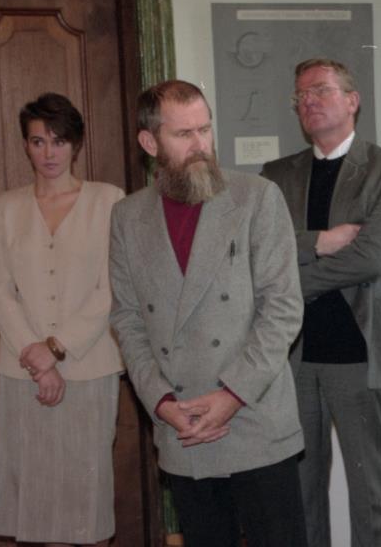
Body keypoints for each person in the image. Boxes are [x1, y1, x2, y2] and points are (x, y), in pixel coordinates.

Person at [108, 80, 306, 547]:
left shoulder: (256, 197)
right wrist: (160, 403)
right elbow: (127, 319)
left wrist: (232, 395)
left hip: (254, 416)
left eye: (205, 129)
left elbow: (282, 309)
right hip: (183, 426)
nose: (200, 145)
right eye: (184, 134)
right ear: (149, 142)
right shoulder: (127, 217)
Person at [260, 58, 381, 547]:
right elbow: (262, 252)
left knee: (374, 492)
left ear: (353, 101)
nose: (308, 101)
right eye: (301, 96)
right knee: (297, 490)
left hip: (361, 349)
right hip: (291, 354)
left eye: (321, 90)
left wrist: (294, 278)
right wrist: (323, 241)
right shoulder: (276, 175)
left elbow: (373, 257)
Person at [0, 93, 125, 546]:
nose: (49, 152)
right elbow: (1, 291)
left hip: (89, 367)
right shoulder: (4, 208)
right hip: (22, 372)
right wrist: (37, 358)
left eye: (59, 141)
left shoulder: (109, 201)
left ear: (76, 144)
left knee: (84, 496)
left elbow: (111, 288)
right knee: (36, 496)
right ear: (25, 146)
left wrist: (56, 349)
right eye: (38, 141)